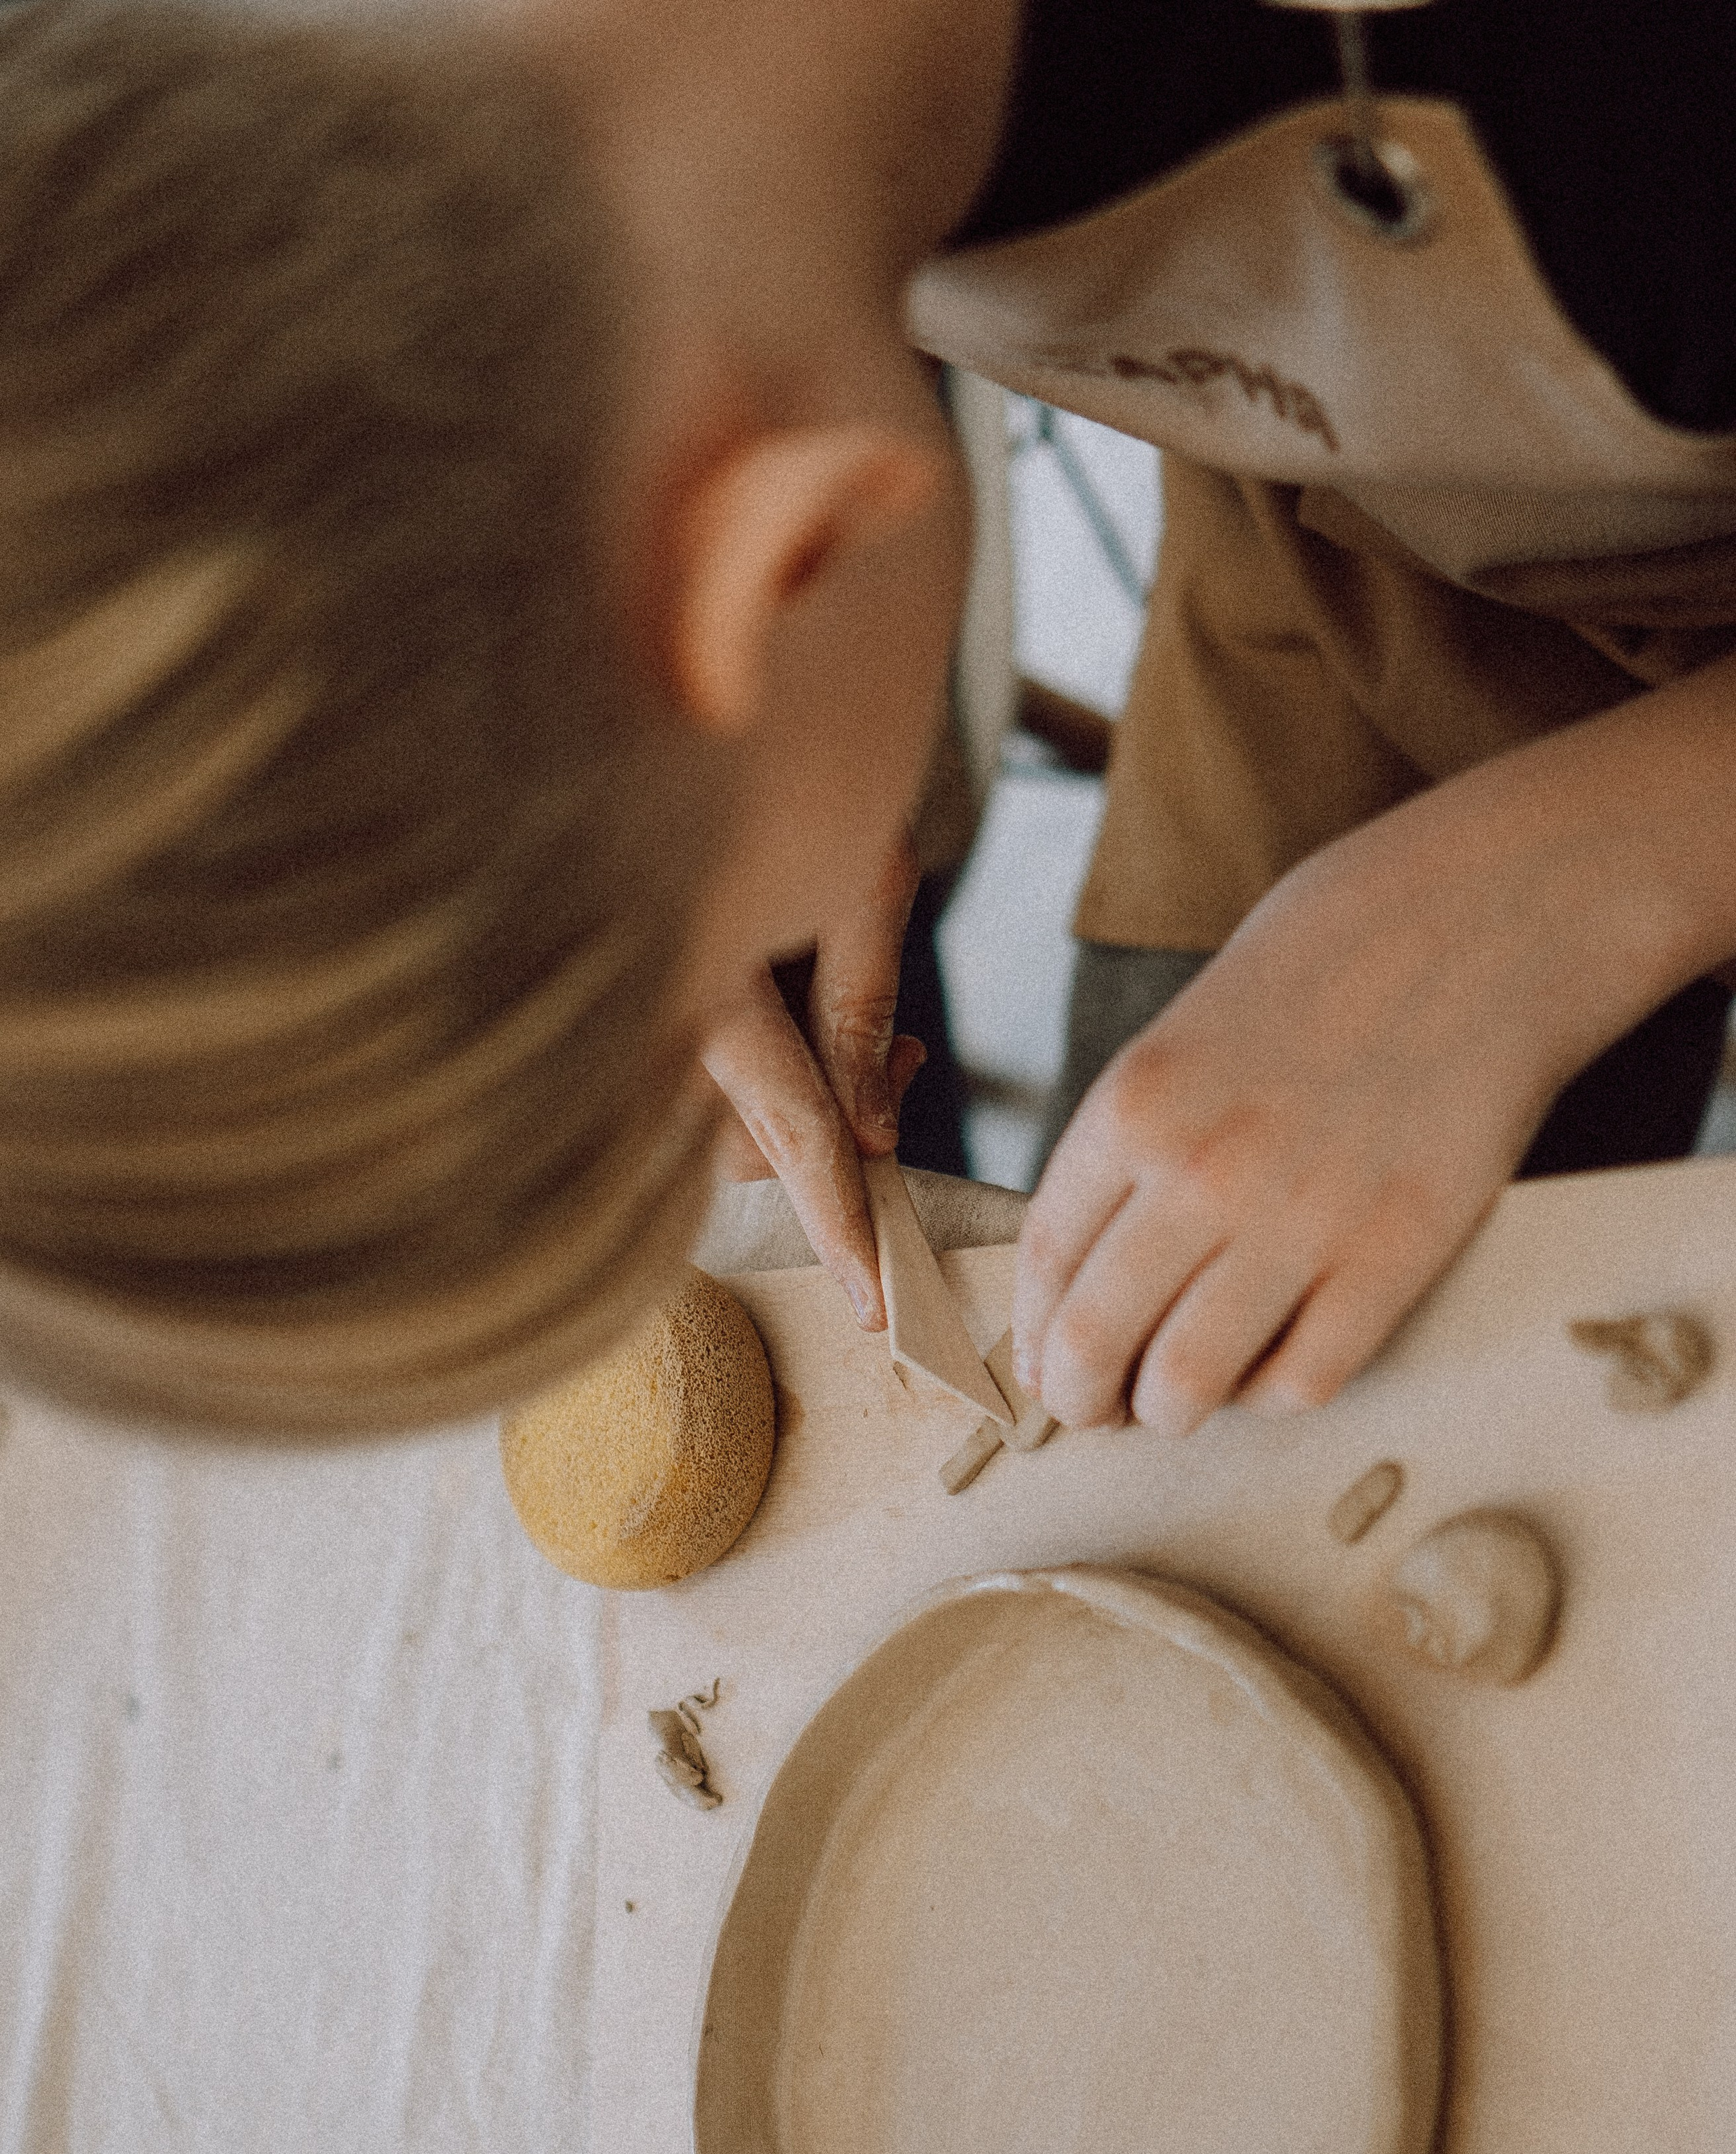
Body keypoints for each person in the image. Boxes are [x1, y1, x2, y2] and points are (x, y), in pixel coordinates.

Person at [4, 0, 1736, 1442]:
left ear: (783, 557)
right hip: (1352, 506)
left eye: (713, 948)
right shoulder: (506, 124)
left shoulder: (1639, 109)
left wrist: (1587, 873)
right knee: (1171, 1361)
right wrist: (753, 760)